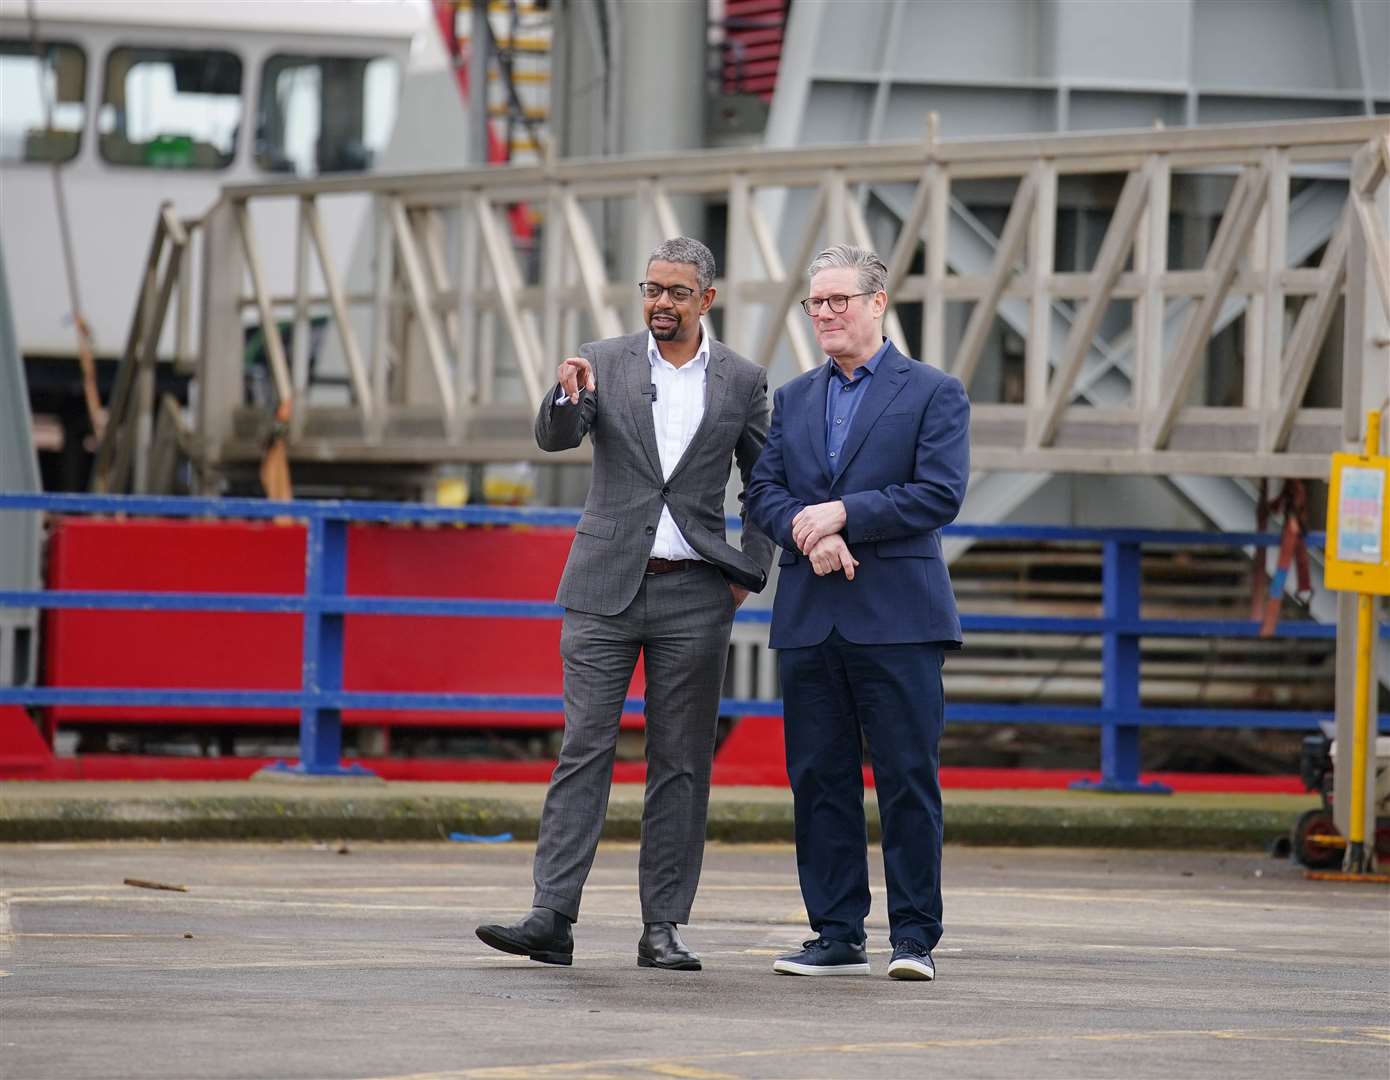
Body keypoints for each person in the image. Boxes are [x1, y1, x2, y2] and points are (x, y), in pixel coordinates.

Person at [476, 236, 774, 971]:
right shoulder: (600, 361)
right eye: (651, 290)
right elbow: (555, 438)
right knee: (584, 749)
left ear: (707, 298)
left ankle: (663, 928)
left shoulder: (743, 380)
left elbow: (766, 484)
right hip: (603, 589)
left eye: (676, 292)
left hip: (696, 593)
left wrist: (748, 572)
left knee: (680, 764)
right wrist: (564, 394)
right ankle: (552, 916)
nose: (660, 304)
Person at [745, 243, 970, 981]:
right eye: (816, 303)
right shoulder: (797, 397)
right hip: (813, 613)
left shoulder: (934, 392)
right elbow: (763, 492)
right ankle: (837, 934)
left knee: (908, 778)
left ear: (878, 303)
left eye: (839, 300)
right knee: (819, 780)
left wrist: (843, 514)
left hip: (900, 618)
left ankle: (914, 938)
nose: (825, 314)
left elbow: (939, 493)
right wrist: (809, 536)